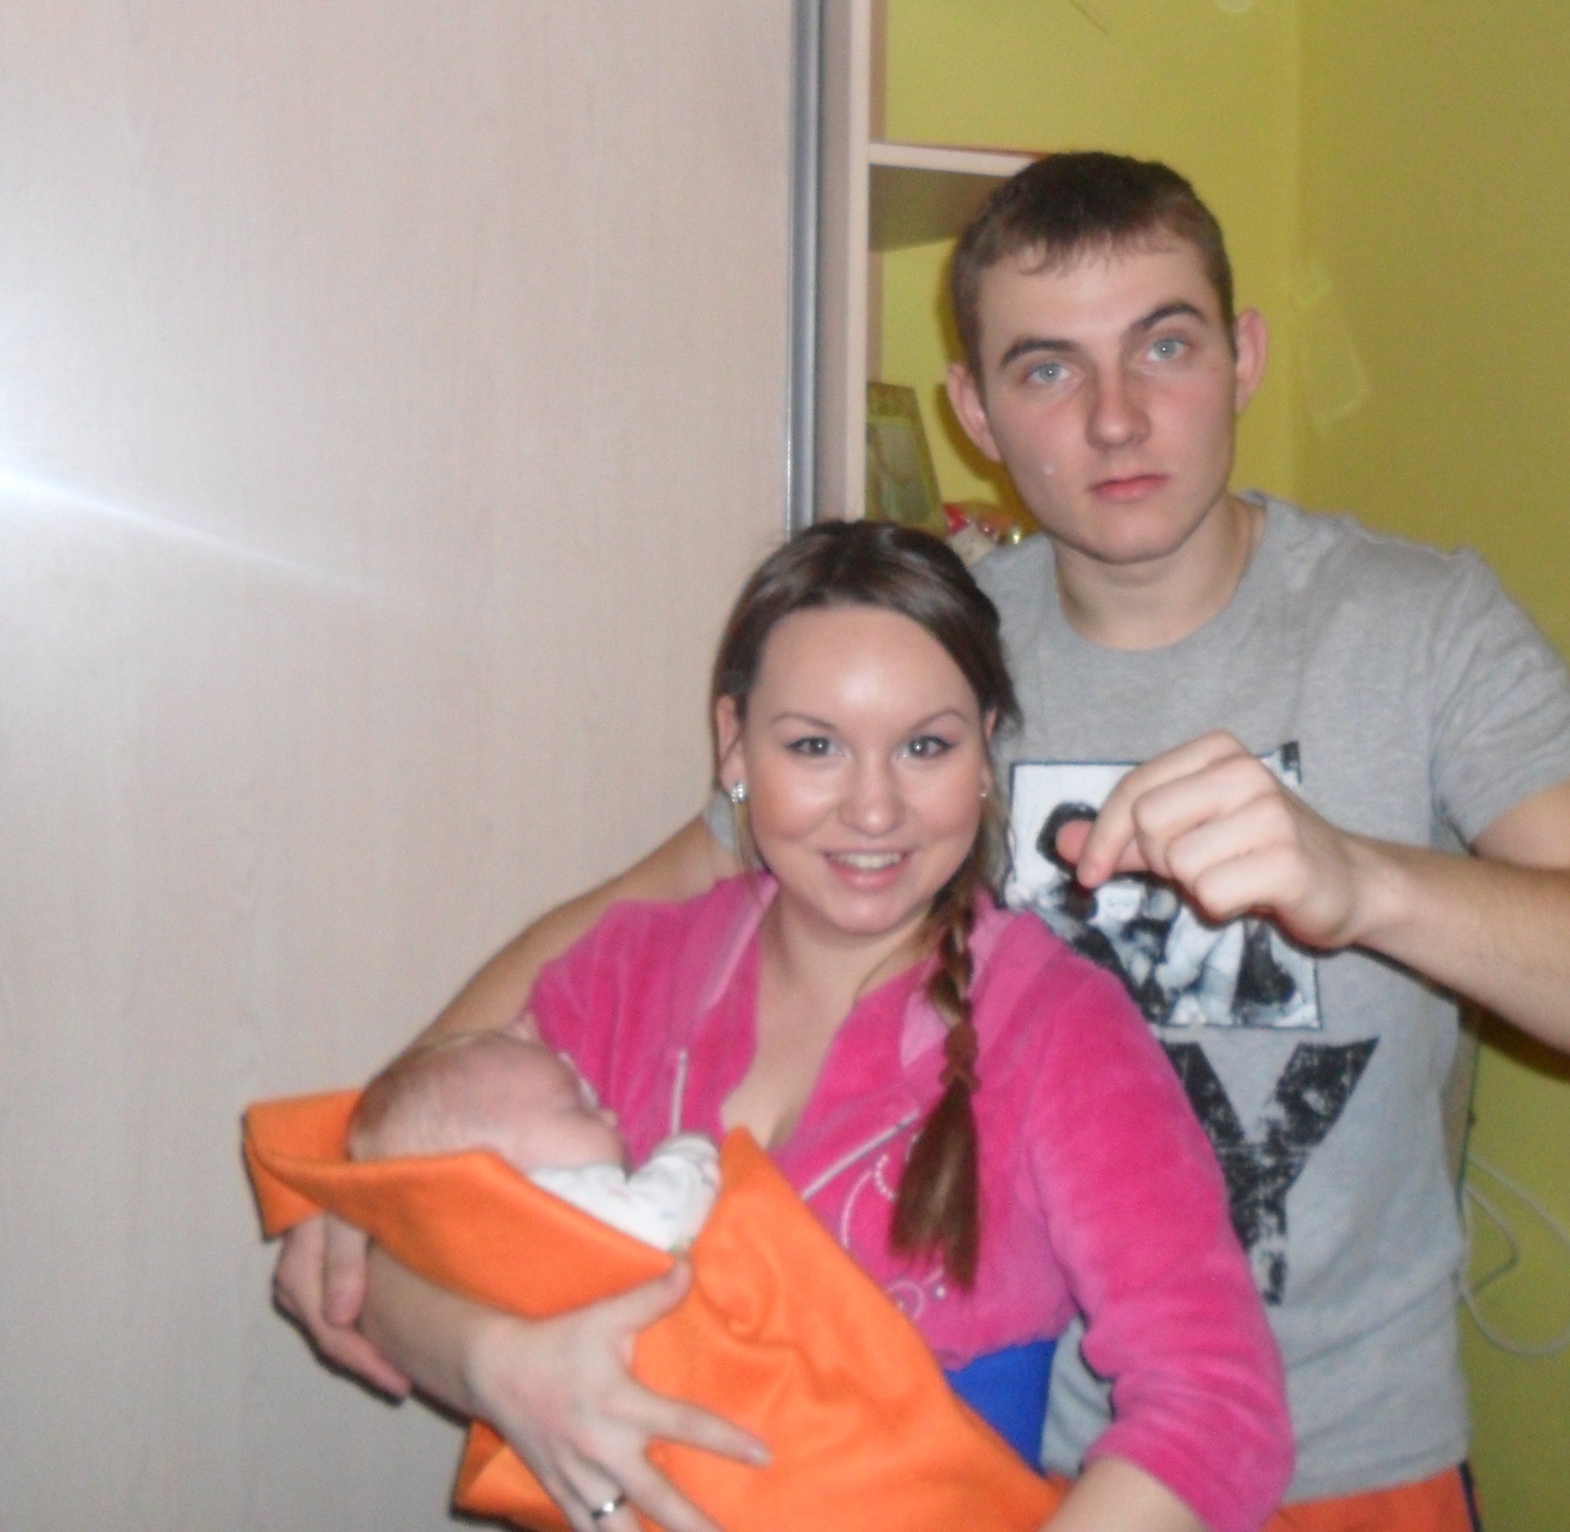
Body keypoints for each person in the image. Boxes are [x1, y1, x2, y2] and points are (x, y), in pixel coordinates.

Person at [277, 153, 1570, 1531]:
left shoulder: (1415, 630)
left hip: (1336, 1462)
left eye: (1166, 347)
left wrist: (1366, 882)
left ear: (1245, 357)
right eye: (1048, 369)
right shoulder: (926, 656)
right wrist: (369, 1175)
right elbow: (637, 919)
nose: (1116, 419)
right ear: (975, 413)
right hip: (970, 1460)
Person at [344, 521, 1293, 1532]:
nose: (873, 810)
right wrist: (499, 1364)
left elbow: (1216, 1411)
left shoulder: (1057, 1030)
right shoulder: (620, 976)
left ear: (985, 749)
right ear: (733, 744)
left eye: (925, 746)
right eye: (814, 747)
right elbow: (390, 1251)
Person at [347, 1026, 722, 1253]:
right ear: (492, 1169)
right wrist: (689, 1152)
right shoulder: (552, 1201)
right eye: (578, 1108)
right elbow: (656, 1222)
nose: (610, 1115)